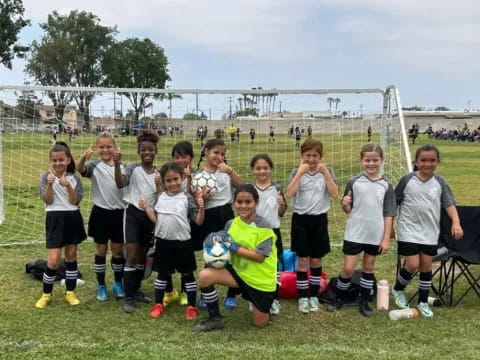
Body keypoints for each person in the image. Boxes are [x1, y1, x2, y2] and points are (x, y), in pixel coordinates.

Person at [192, 185, 277, 332]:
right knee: (205, 275)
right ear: (234, 203)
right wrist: (214, 247)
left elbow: (260, 257)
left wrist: (234, 247)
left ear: (256, 203)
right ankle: (215, 319)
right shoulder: (231, 224)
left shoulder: (265, 227)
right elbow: (225, 245)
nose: (243, 206)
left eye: (248, 202)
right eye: (239, 202)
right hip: (238, 273)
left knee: (260, 323)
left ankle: (267, 300)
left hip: (260, 280)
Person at [392, 144, 463, 317]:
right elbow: (394, 203)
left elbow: (449, 203)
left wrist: (456, 222)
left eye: (432, 160)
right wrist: (390, 226)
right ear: (416, 161)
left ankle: (423, 302)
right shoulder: (407, 180)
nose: (427, 164)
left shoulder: (440, 182)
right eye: (423, 160)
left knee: (426, 266)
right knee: (412, 264)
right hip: (408, 229)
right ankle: (398, 289)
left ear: (437, 162)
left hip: (430, 231)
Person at [328, 144, 396, 317]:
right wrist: (345, 205)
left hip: (375, 232)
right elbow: (347, 208)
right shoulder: (354, 181)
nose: (371, 163)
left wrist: (386, 238)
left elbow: (389, 213)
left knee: (368, 266)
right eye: (367, 160)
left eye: (375, 160)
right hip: (355, 231)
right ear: (361, 160)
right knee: (348, 268)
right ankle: (339, 297)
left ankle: (364, 301)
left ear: (381, 161)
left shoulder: (386, 185)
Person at [139, 162, 205, 320]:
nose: (173, 183)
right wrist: (146, 208)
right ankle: (158, 304)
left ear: (182, 178)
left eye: (176, 179)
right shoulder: (160, 197)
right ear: (163, 182)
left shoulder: (187, 198)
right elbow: (156, 219)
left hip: (183, 243)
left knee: (187, 274)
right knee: (162, 274)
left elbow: (199, 221)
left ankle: (191, 306)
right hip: (163, 242)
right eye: (168, 180)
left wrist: (202, 208)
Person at [285, 139, 339, 313]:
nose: (311, 159)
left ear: (321, 157)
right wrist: (300, 173)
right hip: (300, 220)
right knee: (302, 260)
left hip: (319, 220)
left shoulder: (326, 171)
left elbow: (335, 194)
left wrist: (326, 173)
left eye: (315, 156)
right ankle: (302, 297)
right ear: (302, 156)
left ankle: (314, 296)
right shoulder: (296, 172)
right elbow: (288, 193)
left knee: (316, 260)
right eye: (307, 155)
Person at [193, 138, 244, 309]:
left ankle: (231, 295)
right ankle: (207, 294)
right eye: (215, 153)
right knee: (210, 253)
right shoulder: (199, 175)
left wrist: (230, 171)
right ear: (206, 152)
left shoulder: (225, 171)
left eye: (222, 154)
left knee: (230, 252)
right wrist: (202, 198)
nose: (219, 156)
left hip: (226, 214)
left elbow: (242, 187)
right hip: (209, 214)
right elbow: (196, 199)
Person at [114, 130, 162, 313]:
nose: (147, 153)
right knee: (132, 254)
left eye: (151, 149)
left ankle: (137, 290)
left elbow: (162, 196)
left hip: (149, 217)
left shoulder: (159, 173)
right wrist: (117, 164)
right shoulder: (132, 169)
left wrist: (159, 185)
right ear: (139, 152)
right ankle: (128, 297)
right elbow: (120, 183)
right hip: (133, 214)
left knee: (143, 256)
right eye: (144, 150)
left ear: (155, 151)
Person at [36, 141, 86, 309]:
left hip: (72, 217)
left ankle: (70, 292)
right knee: (53, 260)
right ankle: (46, 294)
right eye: (54, 160)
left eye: (61, 160)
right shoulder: (45, 178)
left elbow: (74, 200)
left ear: (68, 160)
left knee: (71, 255)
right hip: (54, 218)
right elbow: (48, 200)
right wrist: (50, 184)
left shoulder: (75, 178)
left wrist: (68, 186)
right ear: (51, 162)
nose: (58, 163)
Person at [76, 132, 126, 301]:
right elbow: (80, 169)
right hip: (101, 213)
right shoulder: (94, 165)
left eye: (109, 146)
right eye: (101, 147)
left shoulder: (123, 166)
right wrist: (83, 158)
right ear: (97, 148)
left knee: (118, 251)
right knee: (101, 250)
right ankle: (101, 285)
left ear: (115, 147)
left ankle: (118, 283)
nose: (105, 150)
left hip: (119, 213)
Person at [250, 154, 286, 315]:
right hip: (254, 233)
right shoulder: (250, 189)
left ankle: (273, 299)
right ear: (253, 170)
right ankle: (253, 298)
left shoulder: (276, 188)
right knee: (254, 266)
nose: (262, 171)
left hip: (272, 232)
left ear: (270, 169)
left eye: (265, 168)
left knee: (274, 266)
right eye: (258, 168)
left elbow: (282, 213)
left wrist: (281, 204)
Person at [162, 141, 195, 307]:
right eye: (177, 157)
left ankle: (184, 291)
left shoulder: (197, 175)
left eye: (184, 156)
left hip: (185, 225)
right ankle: (169, 291)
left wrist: (189, 178)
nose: (180, 160)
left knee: (184, 261)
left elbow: (189, 197)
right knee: (165, 259)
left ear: (191, 157)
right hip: (167, 225)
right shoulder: (168, 173)